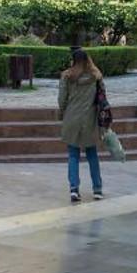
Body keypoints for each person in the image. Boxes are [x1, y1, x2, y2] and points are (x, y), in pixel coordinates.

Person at [59, 48, 105, 203]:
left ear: (73, 60)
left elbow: (62, 100)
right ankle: (97, 189)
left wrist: (63, 114)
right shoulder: (96, 76)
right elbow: (103, 97)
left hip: (72, 118)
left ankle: (74, 189)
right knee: (92, 154)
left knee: (73, 155)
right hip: (90, 119)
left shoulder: (67, 76)